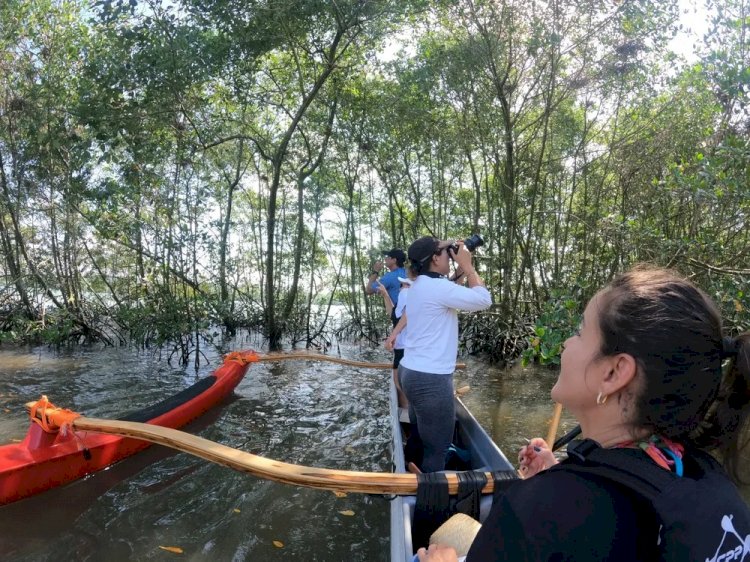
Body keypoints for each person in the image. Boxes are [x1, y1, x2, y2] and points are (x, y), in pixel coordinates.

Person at [418, 266, 750, 561]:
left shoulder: (533, 513)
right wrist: (560, 473)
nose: (565, 344)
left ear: (614, 373)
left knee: (447, 538)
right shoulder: (711, 480)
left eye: (579, 331)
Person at [399, 236, 492, 473]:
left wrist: (459, 272)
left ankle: (408, 471)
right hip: (430, 380)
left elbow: (445, 292)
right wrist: (469, 268)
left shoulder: (419, 284)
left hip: (409, 372)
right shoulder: (438, 287)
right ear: (434, 258)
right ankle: (431, 505)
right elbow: (484, 300)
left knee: (419, 432)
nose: (450, 253)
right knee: (437, 448)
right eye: (445, 250)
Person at [382, 276, 413, 409]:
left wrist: (392, 336)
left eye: (404, 285)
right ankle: (406, 411)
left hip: (407, 348)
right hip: (401, 349)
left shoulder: (408, 297)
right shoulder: (403, 300)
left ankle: (406, 411)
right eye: (401, 286)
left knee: (400, 384)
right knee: (399, 383)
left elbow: (407, 317)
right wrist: (385, 294)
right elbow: (393, 315)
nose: (401, 288)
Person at [366, 248, 406, 320]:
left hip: (400, 318)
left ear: (394, 260)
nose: (385, 259)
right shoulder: (408, 272)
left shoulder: (390, 276)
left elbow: (368, 290)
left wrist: (376, 271)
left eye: (388, 257)